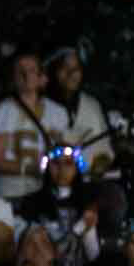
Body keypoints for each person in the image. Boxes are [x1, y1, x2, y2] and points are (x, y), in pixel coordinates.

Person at [0, 50, 65, 209]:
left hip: (45, 193)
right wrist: (29, 168)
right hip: (9, 194)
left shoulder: (58, 112)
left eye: (32, 70)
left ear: (41, 77)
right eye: (20, 71)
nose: (26, 76)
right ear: (13, 77)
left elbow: (61, 151)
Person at [19, 146, 99, 266]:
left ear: (77, 168)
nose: (62, 169)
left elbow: (93, 255)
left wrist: (88, 230)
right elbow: (26, 251)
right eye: (56, 163)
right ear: (47, 167)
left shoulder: (88, 201)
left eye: (68, 163)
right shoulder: (32, 202)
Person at [44, 46, 113, 180]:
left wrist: (101, 163)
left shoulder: (92, 105)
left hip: (90, 183)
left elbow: (105, 148)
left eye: (76, 68)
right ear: (53, 72)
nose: (71, 73)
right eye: (64, 68)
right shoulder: (41, 106)